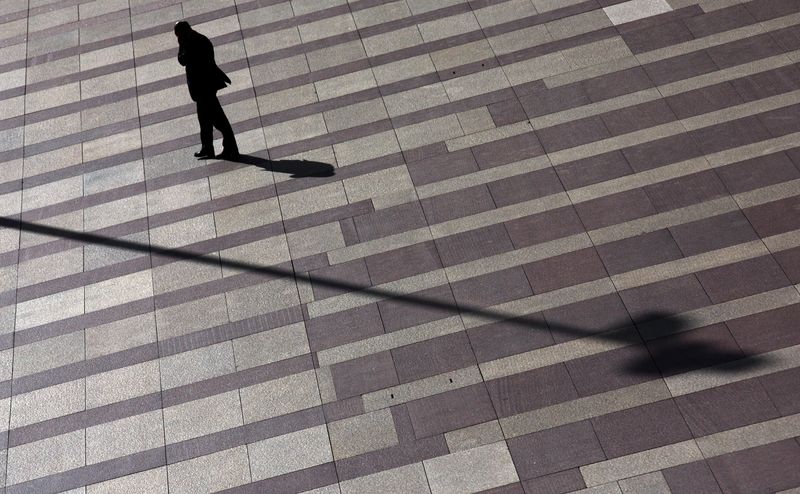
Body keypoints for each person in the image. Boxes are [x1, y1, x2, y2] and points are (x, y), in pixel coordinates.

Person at [174, 21, 239, 159]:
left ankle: (231, 148)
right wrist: (182, 45)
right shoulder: (187, 41)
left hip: (206, 88)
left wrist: (183, 46)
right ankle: (207, 148)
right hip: (200, 89)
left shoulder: (199, 41)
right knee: (204, 120)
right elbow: (181, 60)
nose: (178, 38)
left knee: (218, 120)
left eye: (178, 34)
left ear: (185, 31)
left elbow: (189, 61)